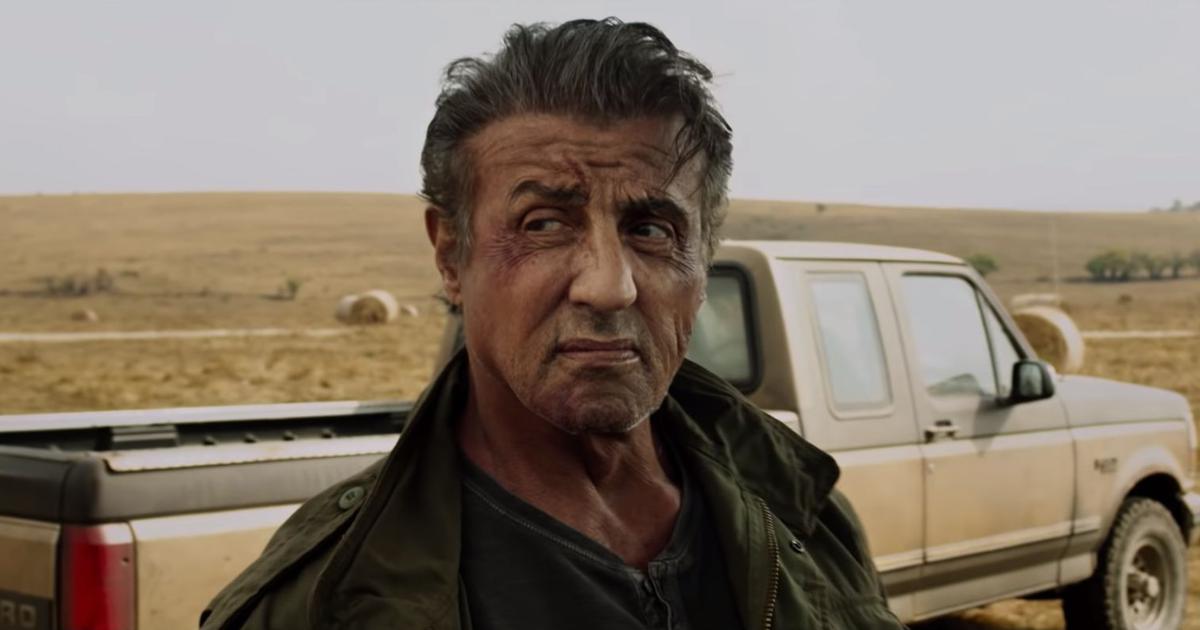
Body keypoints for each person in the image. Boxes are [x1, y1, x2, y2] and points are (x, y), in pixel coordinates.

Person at [202, 18, 905, 630]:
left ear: (702, 259)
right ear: (450, 255)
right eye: (543, 224)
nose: (609, 286)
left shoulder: (805, 519)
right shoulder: (319, 603)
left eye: (652, 229)